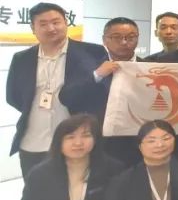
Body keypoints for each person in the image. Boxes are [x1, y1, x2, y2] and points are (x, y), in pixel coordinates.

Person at [8, 3, 108, 200]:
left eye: (56, 21)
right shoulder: (22, 58)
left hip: (77, 141)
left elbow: (100, 93)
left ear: (66, 23)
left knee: (77, 197)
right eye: (43, 23)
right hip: (34, 139)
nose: (51, 28)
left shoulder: (91, 53)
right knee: (36, 199)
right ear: (33, 28)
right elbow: (13, 96)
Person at [57, 17, 142, 165]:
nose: (124, 42)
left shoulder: (150, 67)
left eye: (130, 37)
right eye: (116, 37)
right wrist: (97, 75)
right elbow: (66, 97)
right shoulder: (87, 66)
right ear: (104, 40)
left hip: (139, 142)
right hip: (99, 143)